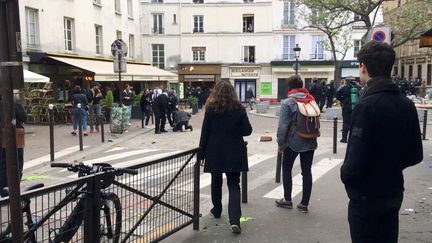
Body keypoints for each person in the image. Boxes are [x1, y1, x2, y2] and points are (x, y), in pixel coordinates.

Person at [340, 41, 423, 243]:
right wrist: (391, 164)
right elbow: (416, 154)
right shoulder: (407, 104)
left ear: (363, 67)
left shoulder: (366, 105)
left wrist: (347, 175)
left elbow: (355, 159)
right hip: (393, 190)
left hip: (366, 195)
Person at [198, 81, 252, 234]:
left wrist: (201, 154)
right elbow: (247, 131)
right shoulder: (238, 109)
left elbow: (205, 132)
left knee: (216, 180)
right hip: (234, 150)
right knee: (234, 184)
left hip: (214, 150)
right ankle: (235, 220)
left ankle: (217, 209)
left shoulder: (210, 109)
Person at [275, 75, 318, 213]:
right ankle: (304, 204)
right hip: (310, 139)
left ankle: (287, 199)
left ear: (290, 86)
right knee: (307, 171)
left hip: (292, 141)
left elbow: (283, 127)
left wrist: (280, 144)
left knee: (287, 168)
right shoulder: (310, 99)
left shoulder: (288, 102)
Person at [0, 95, 27, 190]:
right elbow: (24, 117)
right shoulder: (14, 99)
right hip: (13, 134)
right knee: (17, 162)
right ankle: (13, 189)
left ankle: (3, 189)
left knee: (2, 163)